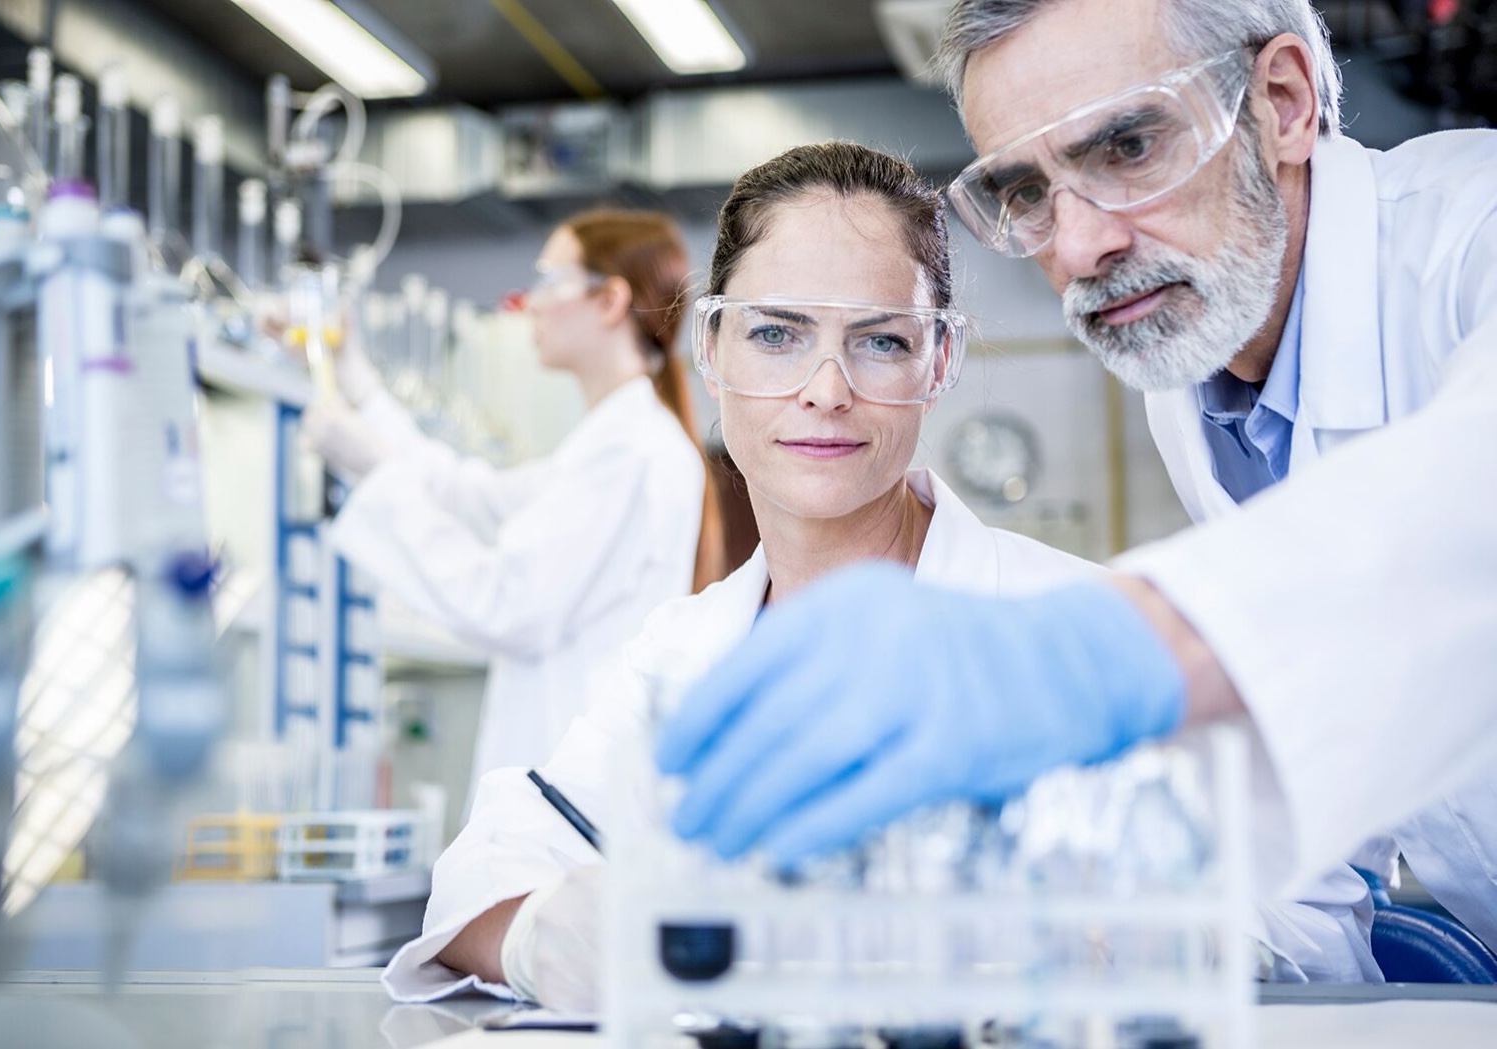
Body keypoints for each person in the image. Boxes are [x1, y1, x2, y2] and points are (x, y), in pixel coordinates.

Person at [379, 142, 1380, 1008]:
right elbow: (484, 865)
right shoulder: (681, 649)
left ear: (939, 361)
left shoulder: (1072, 625)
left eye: (880, 340)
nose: (824, 389)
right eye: (775, 333)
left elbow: (1316, 935)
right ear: (712, 345)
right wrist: (543, 933)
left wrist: (1101, 938)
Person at [655, 0, 1497, 921]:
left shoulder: (1469, 233)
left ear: (1284, 102)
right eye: (1025, 191)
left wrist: (1099, 651)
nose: (1081, 245)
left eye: (1130, 148)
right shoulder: (1194, 372)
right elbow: (1348, 702)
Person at [304, 209, 725, 797]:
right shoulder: (610, 445)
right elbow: (472, 496)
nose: (531, 302)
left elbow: (507, 603)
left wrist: (376, 476)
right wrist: (361, 389)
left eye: (550, 281)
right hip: (568, 795)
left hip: (571, 801)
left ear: (609, 301)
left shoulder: (631, 454)